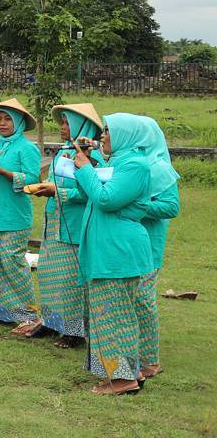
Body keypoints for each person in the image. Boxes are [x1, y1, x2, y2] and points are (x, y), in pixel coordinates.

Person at [73, 113, 153, 395]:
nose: (102, 136)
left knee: (114, 316)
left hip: (118, 252)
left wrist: (84, 169)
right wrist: (90, 158)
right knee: (115, 314)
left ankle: (123, 379)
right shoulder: (121, 161)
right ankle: (128, 373)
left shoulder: (135, 165)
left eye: (107, 131)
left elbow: (107, 200)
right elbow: (100, 187)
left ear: (125, 134)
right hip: (109, 250)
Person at [14, 103, 105, 346]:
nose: (63, 127)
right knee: (49, 274)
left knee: (70, 279)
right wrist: (49, 189)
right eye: (62, 122)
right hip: (54, 222)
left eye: (67, 123)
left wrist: (58, 191)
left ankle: (75, 332)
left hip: (74, 225)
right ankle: (52, 322)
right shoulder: (64, 152)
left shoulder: (94, 158)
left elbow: (93, 192)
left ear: (82, 126)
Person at [0, 98, 40, 327]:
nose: (2, 123)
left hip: (13, 216)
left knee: (12, 263)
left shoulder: (27, 148)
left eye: (7, 119)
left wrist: (6, 173)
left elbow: (33, 180)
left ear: (19, 122)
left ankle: (26, 314)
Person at [135, 116, 180, 380]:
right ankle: (131, 352)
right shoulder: (127, 164)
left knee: (143, 298)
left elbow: (171, 207)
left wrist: (138, 207)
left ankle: (151, 359)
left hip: (148, 243)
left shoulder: (160, 169)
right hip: (126, 243)